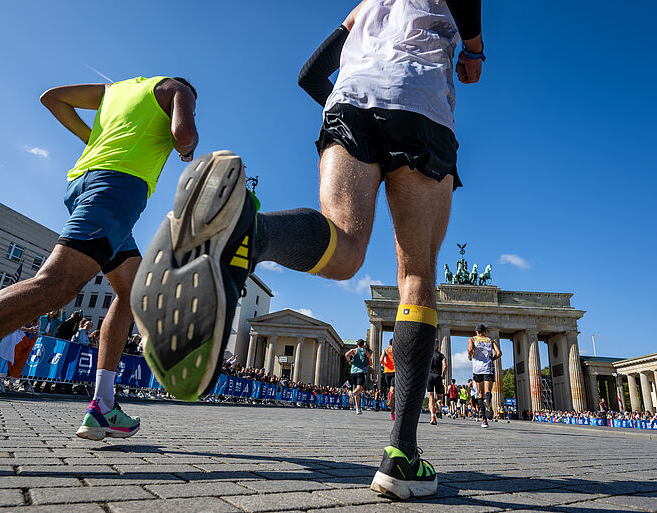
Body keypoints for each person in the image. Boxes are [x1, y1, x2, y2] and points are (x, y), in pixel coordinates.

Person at [133, 0, 483, 499]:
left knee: (345, 248)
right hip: (420, 102)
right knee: (417, 276)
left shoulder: (366, 6)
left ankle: (250, 233)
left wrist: (345, 100)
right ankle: (402, 454)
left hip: (349, 101)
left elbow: (309, 73)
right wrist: (474, 48)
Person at [0, 74, 198, 463]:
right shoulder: (177, 90)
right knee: (56, 285)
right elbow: (184, 136)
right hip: (118, 189)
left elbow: (52, 98)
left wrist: (93, 140)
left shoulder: (117, 90)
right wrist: (186, 149)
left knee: (131, 291)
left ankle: (103, 404)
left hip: (86, 182)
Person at [468, 323, 502, 428]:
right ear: (485, 331)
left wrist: (470, 356)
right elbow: (499, 353)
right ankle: (487, 401)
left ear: (476, 331)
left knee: (480, 393)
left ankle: (484, 420)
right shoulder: (490, 340)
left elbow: (470, 350)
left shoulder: (472, 339)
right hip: (488, 368)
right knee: (488, 391)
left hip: (477, 368)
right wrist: (492, 359)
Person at [345, 339, 372, 415]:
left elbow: (346, 355)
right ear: (363, 345)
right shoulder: (366, 351)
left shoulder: (353, 350)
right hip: (361, 372)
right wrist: (369, 363)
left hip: (353, 372)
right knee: (359, 389)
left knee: (357, 390)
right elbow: (370, 361)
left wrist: (349, 361)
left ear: (357, 344)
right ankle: (352, 394)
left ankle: (357, 408)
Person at [427, 339, 447, 425]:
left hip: (429, 376)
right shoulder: (441, 356)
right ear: (438, 346)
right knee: (439, 396)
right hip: (438, 376)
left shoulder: (427, 354)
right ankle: (439, 403)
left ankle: (433, 416)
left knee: (431, 397)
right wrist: (443, 374)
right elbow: (445, 366)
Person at [380, 341, 395, 420]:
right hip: (394, 372)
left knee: (390, 391)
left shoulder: (386, 350)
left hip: (387, 372)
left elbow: (381, 360)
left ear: (389, 344)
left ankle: (392, 413)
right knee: (392, 391)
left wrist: (385, 364)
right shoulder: (397, 350)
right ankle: (390, 395)